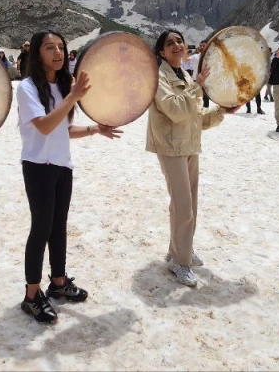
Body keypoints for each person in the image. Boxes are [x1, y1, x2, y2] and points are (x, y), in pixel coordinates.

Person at [17, 30, 122, 324]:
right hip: (38, 166)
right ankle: (31, 294)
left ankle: (59, 282)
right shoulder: (27, 88)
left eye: (61, 47)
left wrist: (94, 129)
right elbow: (45, 127)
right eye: (50, 48)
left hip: (63, 166)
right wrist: (73, 96)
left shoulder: (62, 87)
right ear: (37, 54)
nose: (58, 53)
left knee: (58, 226)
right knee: (41, 228)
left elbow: (63, 129)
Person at [146, 29, 237, 287]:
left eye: (180, 41)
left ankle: (179, 249)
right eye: (170, 43)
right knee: (183, 205)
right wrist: (198, 85)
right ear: (162, 52)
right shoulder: (159, 77)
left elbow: (194, 116)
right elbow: (175, 109)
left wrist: (221, 111)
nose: (176, 45)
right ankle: (181, 261)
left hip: (189, 145)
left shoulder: (184, 75)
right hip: (171, 147)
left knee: (189, 204)